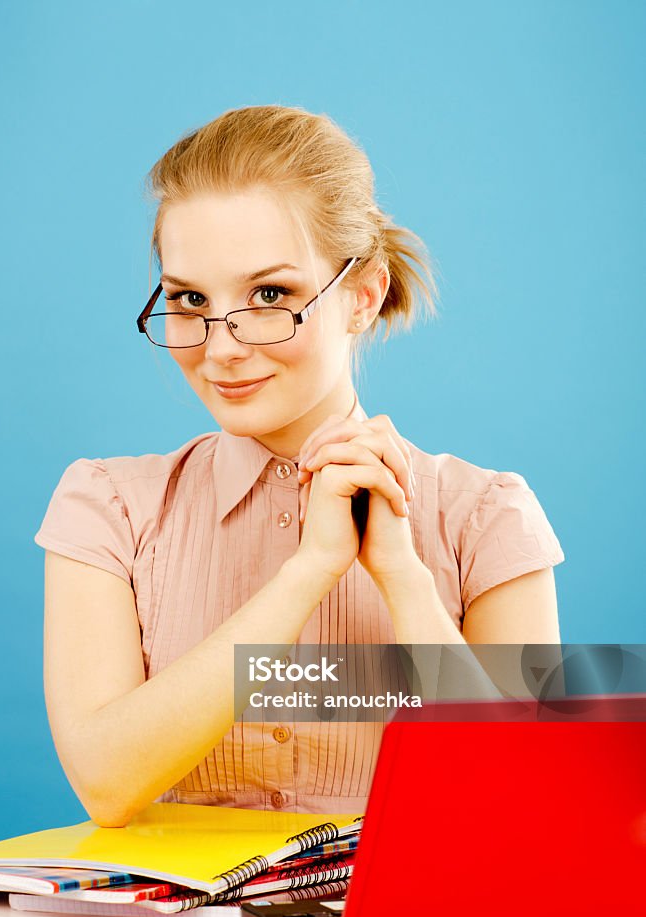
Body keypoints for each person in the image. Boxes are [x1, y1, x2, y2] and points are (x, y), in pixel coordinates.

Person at [34, 105, 565, 828]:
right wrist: (306, 573)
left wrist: (405, 580)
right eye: (190, 300)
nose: (220, 347)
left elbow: (521, 803)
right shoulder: (108, 508)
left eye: (270, 296)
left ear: (362, 295)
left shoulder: (485, 516)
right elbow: (105, 781)